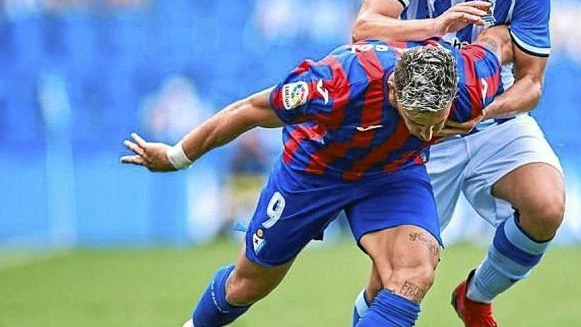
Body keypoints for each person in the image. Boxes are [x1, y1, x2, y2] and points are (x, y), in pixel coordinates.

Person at [121, 26, 511, 327]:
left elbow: (499, 39)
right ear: (393, 90)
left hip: (393, 172)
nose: (429, 136)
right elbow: (249, 110)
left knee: (415, 270)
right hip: (314, 170)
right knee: (248, 283)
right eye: (418, 123)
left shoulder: (468, 81)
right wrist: (176, 156)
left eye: (435, 124)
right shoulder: (338, 83)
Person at [351, 0, 564, 327]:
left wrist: (476, 111)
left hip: (491, 121)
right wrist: (437, 25)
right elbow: (365, 27)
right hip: (419, 133)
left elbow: (531, 85)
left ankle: (475, 297)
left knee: (547, 206)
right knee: (393, 276)